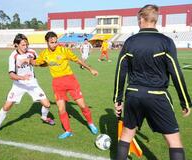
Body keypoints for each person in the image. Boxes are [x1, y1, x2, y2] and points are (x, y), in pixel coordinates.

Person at [113, 5, 191, 160]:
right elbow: (176, 73)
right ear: (155, 19)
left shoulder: (129, 42)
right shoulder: (166, 42)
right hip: (157, 96)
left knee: (127, 134)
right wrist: (185, 102)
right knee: (174, 140)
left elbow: (120, 72)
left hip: (133, 95)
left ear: (141, 19)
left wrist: (117, 99)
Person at [29, 31, 99, 139]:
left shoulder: (64, 50)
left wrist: (91, 69)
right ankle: (68, 131)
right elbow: (39, 63)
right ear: (47, 42)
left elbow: (78, 61)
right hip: (57, 83)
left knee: (82, 105)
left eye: (55, 42)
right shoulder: (44, 54)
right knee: (61, 109)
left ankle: (90, 123)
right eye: (52, 42)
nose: (54, 44)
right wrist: (29, 60)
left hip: (70, 80)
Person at [0, 34, 54, 135]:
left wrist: (47, 63)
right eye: (23, 45)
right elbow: (11, 75)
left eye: (27, 44)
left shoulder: (32, 52)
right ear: (17, 45)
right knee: (7, 106)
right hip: (18, 85)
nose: (26, 47)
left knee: (47, 104)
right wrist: (22, 78)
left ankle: (44, 117)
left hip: (32, 83)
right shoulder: (13, 56)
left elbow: (40, 63)